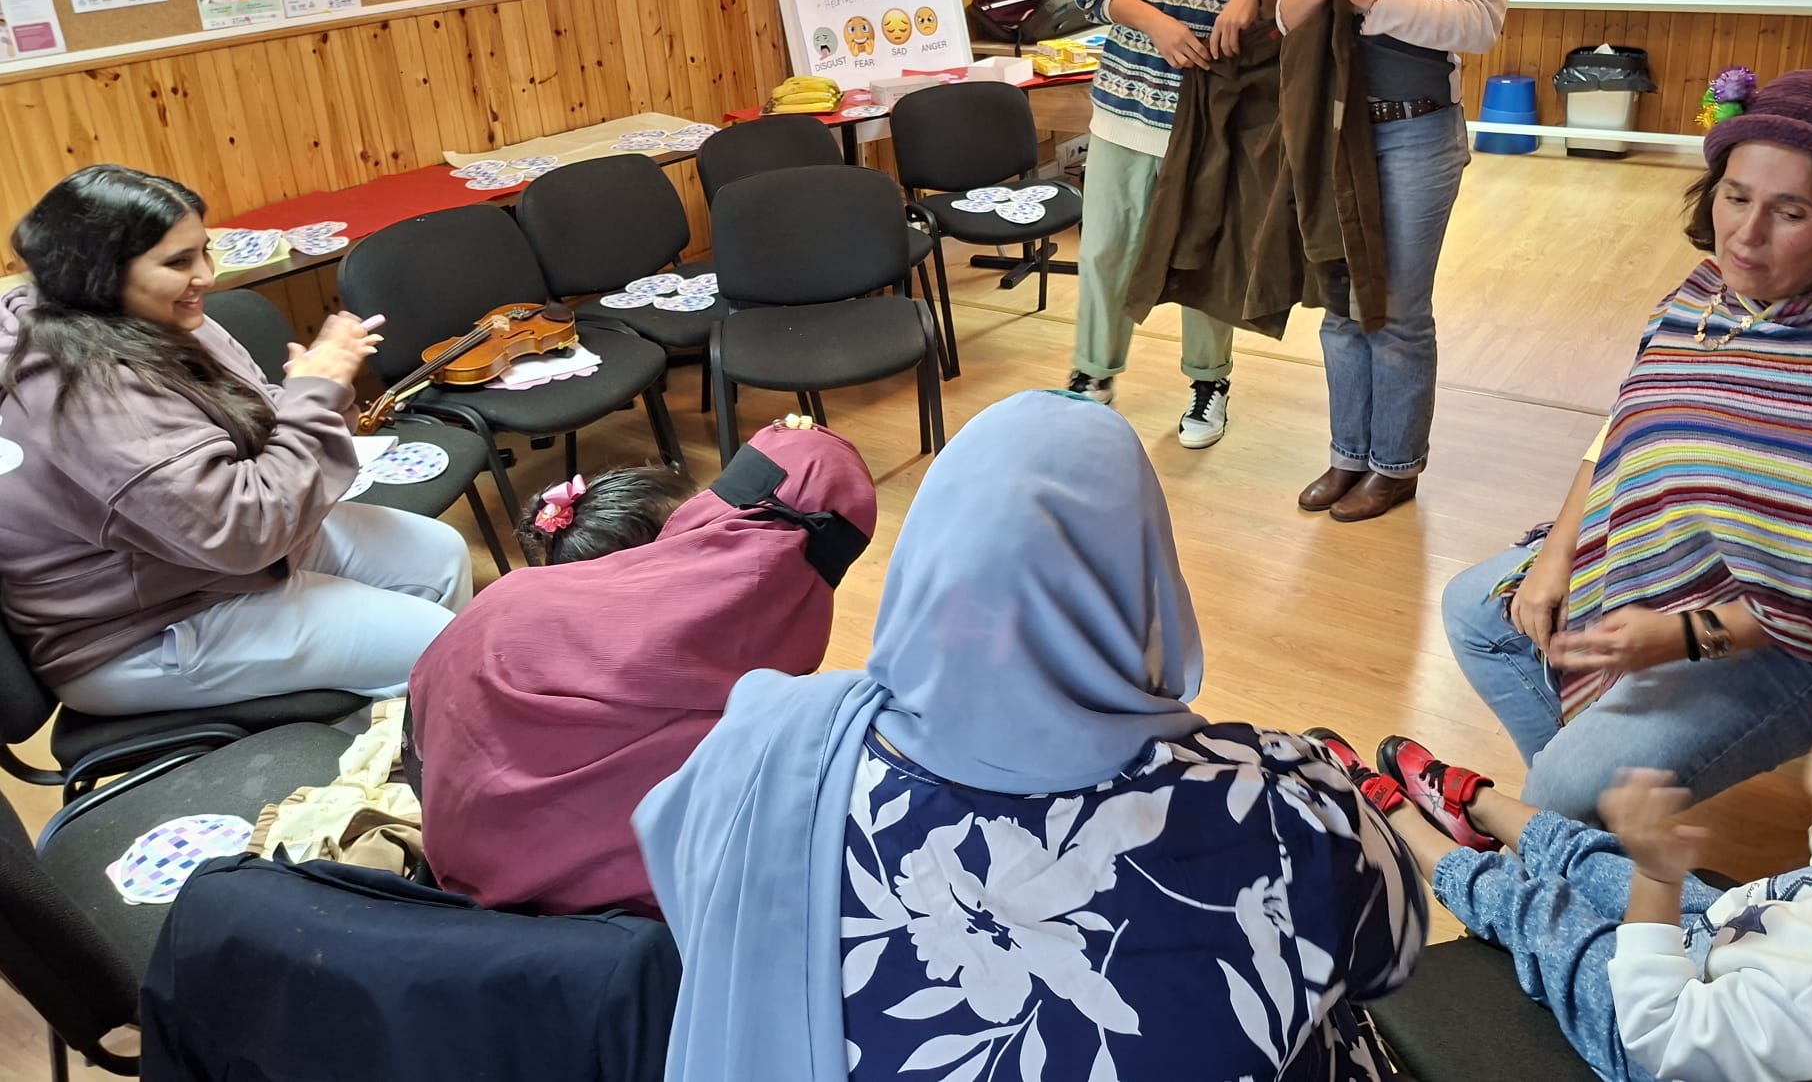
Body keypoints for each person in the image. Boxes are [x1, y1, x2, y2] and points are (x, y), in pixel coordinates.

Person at [635, 392, 1429, 1081]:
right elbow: (1389, 956)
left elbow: (690, 890)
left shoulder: (766, 746)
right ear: (1146, 572)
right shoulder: (1285, 809)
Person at [1443, 70, 1812, 820]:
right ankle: (1585, 825)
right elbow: (1625, 425)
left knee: (1569, 787)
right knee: (1478, 614)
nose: (1746, 234)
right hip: (1699, 575)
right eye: (1735, 197)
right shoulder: (1710, 295)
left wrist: (1682, 634)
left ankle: (1572, 816)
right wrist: (1555, 559)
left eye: (1789, 212)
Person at [1318, 690, 1812, 1082]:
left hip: (1660, 1034)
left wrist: (1656, 879)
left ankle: (1399, 824)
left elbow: (1655, 1025)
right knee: (1597, 856)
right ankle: (1478, 807)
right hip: (1734, 945)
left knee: (1544, 915)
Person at [0, 166, 472, 713]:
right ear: (98, 273)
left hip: (215, 563)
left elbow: (268, 422)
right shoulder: (78, 390)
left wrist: (318, 387)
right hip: (143, 624)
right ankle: (385, 738)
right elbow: (245, 530)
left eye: (204, 251)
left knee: (439, 554)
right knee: (442, 645)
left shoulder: (162, 318)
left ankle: (409, 724)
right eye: (178, 262)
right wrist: (315, 391)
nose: (206, 275)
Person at [409, 418, 877, 917]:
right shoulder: (748, 695)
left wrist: (787, 448)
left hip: (462, 876)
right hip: (601, 929)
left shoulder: (508, 598)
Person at [1279, 0, 1513, 522]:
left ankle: (1396, 466)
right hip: (1335, 129)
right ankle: (1348, 455)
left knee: (1400, 311)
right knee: (1341, 304)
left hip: (1419, 131)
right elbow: (1287, 13)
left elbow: (1480, 24)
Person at [1066, 0, 1313, 450]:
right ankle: (1091, 375)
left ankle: (1210, 384)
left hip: (1221, 117)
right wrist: (1156, 24)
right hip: (1127, 102)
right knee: (1106, 249)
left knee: (1208, 255)